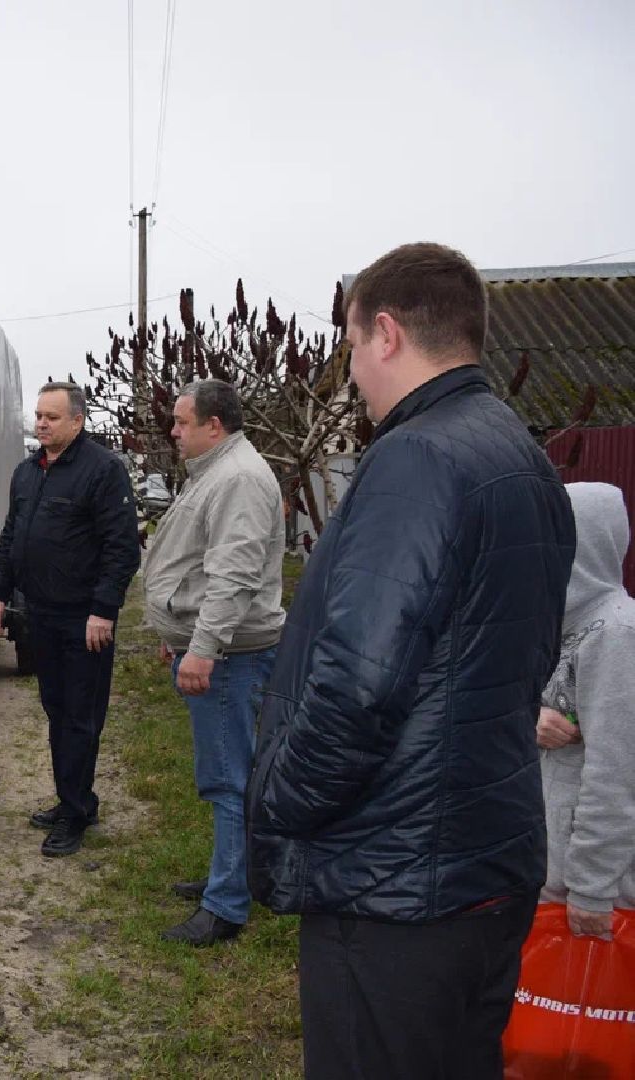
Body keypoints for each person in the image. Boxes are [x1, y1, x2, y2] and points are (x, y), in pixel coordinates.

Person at [246, 242, 576, 1077]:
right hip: (482, 860)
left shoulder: (418, 456)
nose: (351, 369)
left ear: (384, 333)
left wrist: (279, 799)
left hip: (392, 884)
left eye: (351, 344)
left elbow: (359, 683)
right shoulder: (522, 457)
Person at [142, 378, 284, 946]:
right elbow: (199, 565)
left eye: (181, 422)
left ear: (213, 426)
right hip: (218, 650)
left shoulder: (240, 479)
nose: (173, 432)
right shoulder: (219, 471)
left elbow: (234, 576)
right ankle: (232, 874)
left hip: (231, 659)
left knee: (228, 780)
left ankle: (225, 906)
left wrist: (202, 647)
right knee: (227, 775)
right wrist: (179, 632)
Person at [0, 381, 142, 858]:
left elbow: (121, 549)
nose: (41, 424)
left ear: (77, 421)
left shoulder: (103, 471)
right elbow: (13, 535)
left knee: (80, 715)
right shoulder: (28, 472)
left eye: (51, 417)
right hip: (41, 615)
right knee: (57, 710)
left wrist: (103, 610)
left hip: (84, 620)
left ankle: (75, 815)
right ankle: (74, 800)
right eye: (38, 415)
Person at [536, 482, 635, 939]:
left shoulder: (618, 634)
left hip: (594, 895)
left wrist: (593, 890)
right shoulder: (553, 623)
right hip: (546, 874)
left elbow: (617, 771)